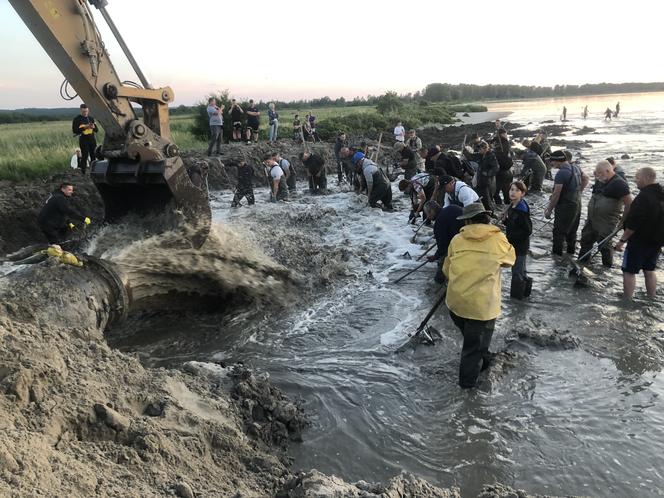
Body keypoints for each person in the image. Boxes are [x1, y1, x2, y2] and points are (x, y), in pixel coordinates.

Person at [442, 202, 515, 389]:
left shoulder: (457, 239)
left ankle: (484, 359)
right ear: (486, 217)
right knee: (473, 348)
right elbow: (510, 261)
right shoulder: (498, 238)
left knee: (474, 339)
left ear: (466, 220)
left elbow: (446, 270)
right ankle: (467, 393)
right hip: (482, 307)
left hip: (455, 303)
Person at [615, 167, 664, 298]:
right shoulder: (661, 194)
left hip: (639, 241)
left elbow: (633, 223)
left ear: (646, 178)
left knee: (629, 271)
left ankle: (627, 299)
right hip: (657, 241)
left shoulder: (643, 198)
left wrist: (621, 241)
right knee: (649, 270)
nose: (635, 180)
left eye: (637, 177)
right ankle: (651, 297)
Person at [578, 160, 632, 267]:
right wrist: (597, 174)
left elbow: (629, 204)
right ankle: (582, 263)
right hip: (592, 219)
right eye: (597, 174)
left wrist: (622, 222)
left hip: (606, 221)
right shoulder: (601, 180)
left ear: (608, 171)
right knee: (585, 240)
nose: (598, 177)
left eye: (601, 174)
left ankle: (606, 269)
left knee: (604, 245)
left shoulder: (620, 184)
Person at [544, 150, 590, 256]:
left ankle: (557, 259)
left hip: (566, 206)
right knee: (572, 232)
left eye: (552, 161)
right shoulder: (575, 167)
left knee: (558, 233)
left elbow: (556, 194)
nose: (551, 164)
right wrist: (579, 191)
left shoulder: (561, 173)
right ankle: (570, 254)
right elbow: (586, 178)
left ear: (558, 161)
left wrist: (549, 210)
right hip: (577, 203)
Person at [503, 181, 533, 299]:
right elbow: (512, 224)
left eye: (517, 191)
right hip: (514, 244)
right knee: (521, 271)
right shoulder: (513, 205)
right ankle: (526, 295)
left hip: (520, 247)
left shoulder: (521, 210)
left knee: (517, 273)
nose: (513, 193)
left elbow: (527, 230)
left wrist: (510, 238)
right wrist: (505, 220)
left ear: (522, 194)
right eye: (511, 190)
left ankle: (517, 300)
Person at [423, 200, 463, 284]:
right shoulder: (452, 207)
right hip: (467, 234)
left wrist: (435, 256)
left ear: (432, 211)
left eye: (427, 214)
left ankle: (440, 283)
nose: (428, 217)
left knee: (440, 274)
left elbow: (443, 247)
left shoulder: (439, 223)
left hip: (459, 244)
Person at [464, 141, 499, 212]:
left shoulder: (491, 156)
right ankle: (484, 211)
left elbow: (496, 167)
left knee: (487, 198)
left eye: (480, 149)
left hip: (488, 181)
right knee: (481, 197)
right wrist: (465, 151)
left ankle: (491, 212)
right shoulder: (480, 155)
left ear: (485, 148)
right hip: (480, 180)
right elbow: (472, 156)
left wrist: (487, 173)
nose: (479, 150)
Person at [72, 104, 98, 174]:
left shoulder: (91, 118)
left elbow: (97, 130)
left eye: (86, 111)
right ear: (80, 110)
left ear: (88, 110)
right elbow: (75, 130)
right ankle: (83, 171)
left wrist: (93, 127)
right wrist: (85, 127)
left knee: (94, 155)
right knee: (85, 155)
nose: (85, 113)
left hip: (92, 139)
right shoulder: (77, 119)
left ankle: (94, 171)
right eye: (83, 111)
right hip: (83, 139)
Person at [492, 128, 513, 205]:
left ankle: (500, 207)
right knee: (506, 192)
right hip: (508, 171)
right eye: (505, 134)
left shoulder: (499, 145)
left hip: (501, 173)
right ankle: (507, 207)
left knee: (495, 192)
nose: (506, 135)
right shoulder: (506, 144)